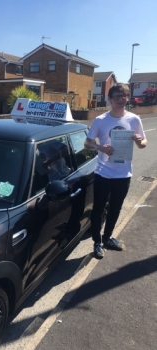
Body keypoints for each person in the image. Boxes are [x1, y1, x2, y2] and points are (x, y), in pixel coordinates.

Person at [84, 84, 147, 259]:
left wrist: (139, 141)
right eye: (117, 96)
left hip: (123, 174)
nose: (121, 100)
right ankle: (96, 242)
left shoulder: (134, 119)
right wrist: (100, 148)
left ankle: (108, 237)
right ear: (110, 99)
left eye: (125, 96)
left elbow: (143, 144)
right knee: (98, 209)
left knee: (116, 208)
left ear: (128, 98)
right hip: (103, 173)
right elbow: (87, 143)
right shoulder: (100, 120)